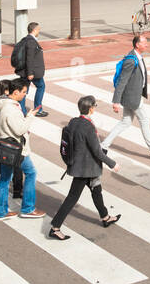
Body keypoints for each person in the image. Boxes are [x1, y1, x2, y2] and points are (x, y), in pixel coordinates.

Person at [49, 96, 120, 239]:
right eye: (94, 106)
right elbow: (97, 151)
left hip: (81, 165)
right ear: (91, 108)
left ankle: (105, 217)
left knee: (96, 191)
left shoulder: (74, 121)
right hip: (85, 169)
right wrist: (112, 164)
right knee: (72, 197)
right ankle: (55, 227)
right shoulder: (88, 126)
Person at [101, 34, 150, 160]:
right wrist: (116, 101)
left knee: (125, 122)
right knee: (145, 121)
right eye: (144, 42)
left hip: (133, 96)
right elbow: (122, 81)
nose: (147, 44)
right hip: (133, 98)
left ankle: (103, 146)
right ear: (137, 44)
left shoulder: (137, 56)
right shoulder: (131, 60)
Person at [0, 78, 42, 219]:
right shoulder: (10, 109)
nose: (25, 94)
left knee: (5, 179)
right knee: (31, 173)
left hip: (6, 148)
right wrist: (30, 117)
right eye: (24, 92)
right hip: (17, 150)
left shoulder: (4, 104)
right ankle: (28, 208)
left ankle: (0, 211)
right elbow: (19, 129)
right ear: (15, 92)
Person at [12, 22, 49, 117]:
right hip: (31, 72)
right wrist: (30, 73)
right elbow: (29, 58)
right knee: (40, 87)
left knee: (24, 91)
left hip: (25, 71)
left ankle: (22, 111)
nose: (39, 31)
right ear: (34, 30)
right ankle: (38, 109)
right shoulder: (31, 42)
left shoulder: (25, 40)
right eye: (38, 29)